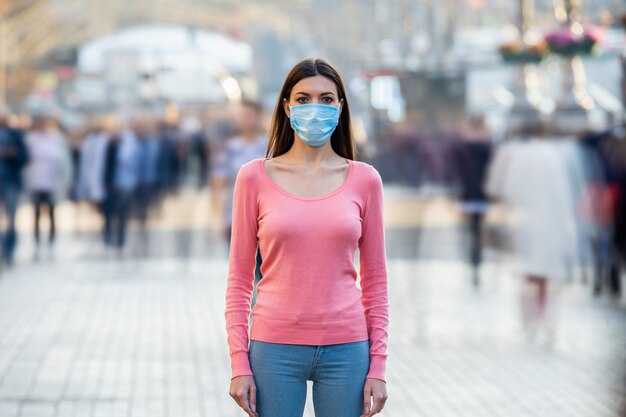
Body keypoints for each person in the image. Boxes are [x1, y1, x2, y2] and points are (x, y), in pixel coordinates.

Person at [225, 58, 389, 417]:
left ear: (341, 106)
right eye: (303, 98)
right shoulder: (253, 177)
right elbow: (239, 281)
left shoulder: (365, 180)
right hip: (274, 348)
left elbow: (375, 281)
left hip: (347, 348)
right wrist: (240, 362)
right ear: (286, 107)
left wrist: (378, 365)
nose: (315, 107)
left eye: (326, 99)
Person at [23, 115, 72, 259]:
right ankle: (37, 243)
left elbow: (64, 161)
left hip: (52, 182)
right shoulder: (30, 139)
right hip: (35, 182)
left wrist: (66, 181)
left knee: (51, 214)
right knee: (37, 214)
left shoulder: (56, 139)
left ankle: (51, 243)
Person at [0, 109, 28, 266]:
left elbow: (24, 157)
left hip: (11, 181)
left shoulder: (15, 135)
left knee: (11, 218)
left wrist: (12, 154)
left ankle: (9, 250)